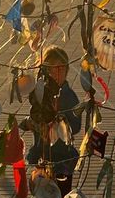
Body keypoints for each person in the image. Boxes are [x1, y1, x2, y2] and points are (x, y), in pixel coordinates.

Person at [25, 46, 82, 187]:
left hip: (63, 156)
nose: (56, 74)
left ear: (67, 71)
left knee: (62, 194)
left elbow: (76, 126)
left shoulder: (70, 97)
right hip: (42, 154)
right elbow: (34, 117)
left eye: (61, 69)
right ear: (45, 71)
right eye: (51, 69)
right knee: (43, 195)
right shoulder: (40, 94)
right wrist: (30, 124)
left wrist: (61, 125)